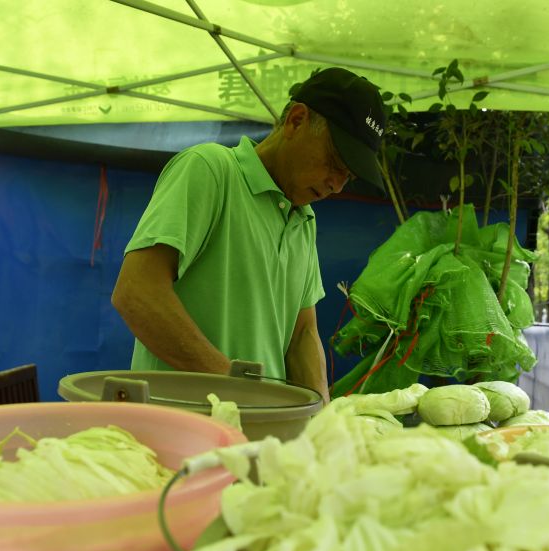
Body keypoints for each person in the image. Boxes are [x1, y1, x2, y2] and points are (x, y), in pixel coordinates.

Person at [111, 68, 386, 403]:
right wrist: (237, 389)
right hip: (181, 429)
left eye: (349, 176)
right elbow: (136, 291)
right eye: (334, 162)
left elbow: (302, 334)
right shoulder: (210, 170)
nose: (338, 184)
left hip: (257, 432)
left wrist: (321, 422)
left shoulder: (303, 219)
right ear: (296, 121)